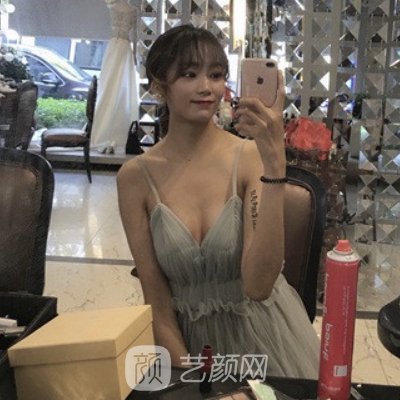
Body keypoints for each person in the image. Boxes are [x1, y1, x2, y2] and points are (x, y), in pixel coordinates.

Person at [117, 24, 320, 379]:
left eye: (216, 74)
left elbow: (258, 286)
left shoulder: (249, 157)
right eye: (189, 74)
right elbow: (156, 298)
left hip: (262, 339)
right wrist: (190, 379)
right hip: (187, 347)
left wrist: (275, 167)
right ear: (159, 85)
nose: (206, 87)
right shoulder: (135, 178)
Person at [91, 0, 139, 154]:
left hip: (120, 47)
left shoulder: (129, 9)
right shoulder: (118, 7)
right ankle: (106, 131)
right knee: (109, 87)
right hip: (120, 47)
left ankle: (117, 133)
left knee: (121, 88)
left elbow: (135, 35)